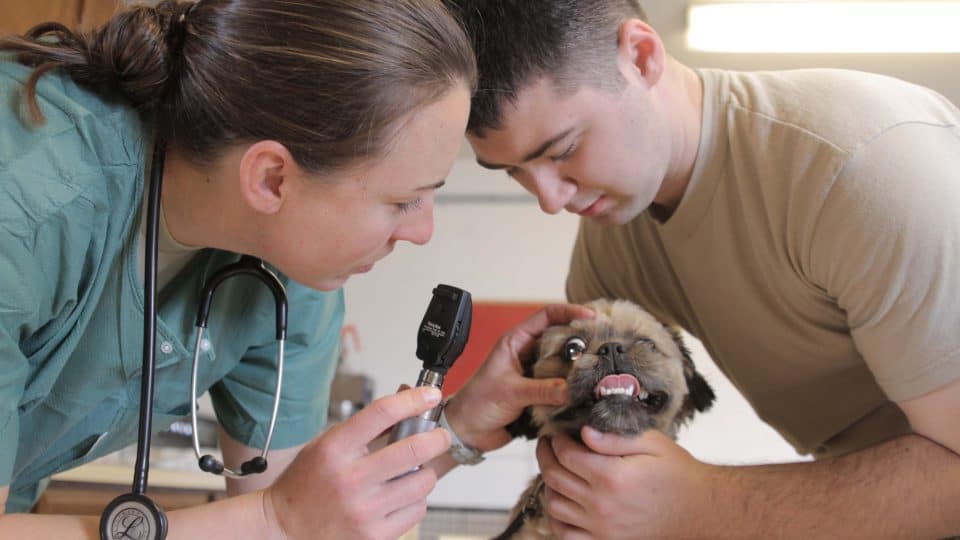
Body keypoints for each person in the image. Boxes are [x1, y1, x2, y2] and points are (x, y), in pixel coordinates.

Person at [0, 1, 593, 538]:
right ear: (272, 179)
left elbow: (314, 510)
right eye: (404, 199)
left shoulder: (290, 270)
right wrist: (272, 520)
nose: (422, 231)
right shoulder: (24, 201)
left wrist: (456, 425)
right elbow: (281, 515)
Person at [443, 0, 960, 537]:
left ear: (642, 57)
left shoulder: (861, 168)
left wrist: (704, 502)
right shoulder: (615, 233)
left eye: (564, 149)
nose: (549, 200)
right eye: (513, 172)